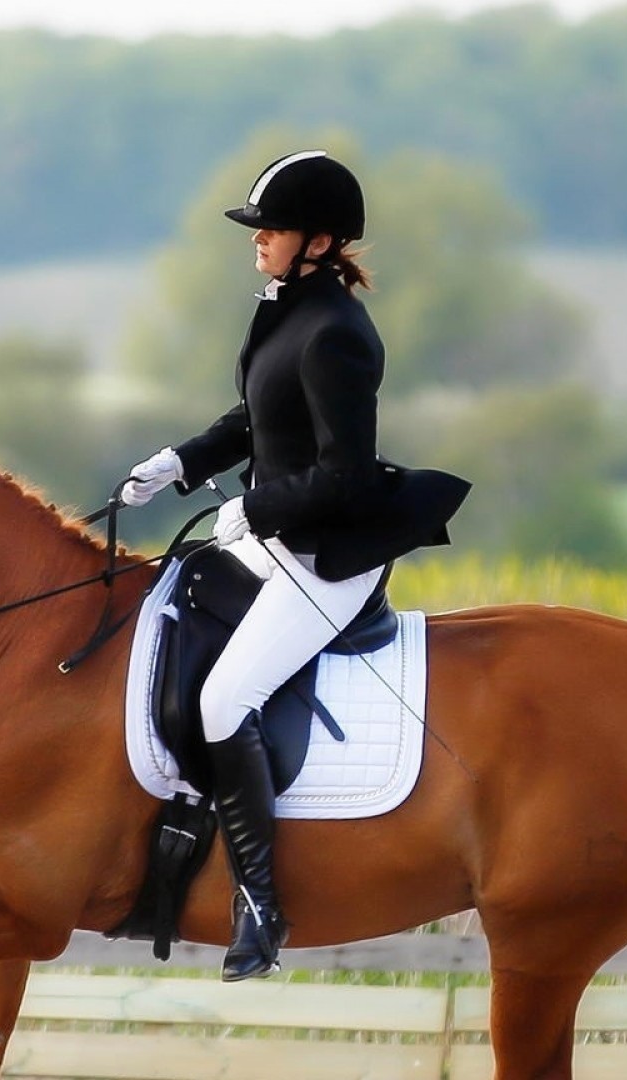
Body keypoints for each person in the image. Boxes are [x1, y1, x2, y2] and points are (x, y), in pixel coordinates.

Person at [118, 149, 468, 981]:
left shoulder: (340, 336)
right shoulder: (288, 311)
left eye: (270, 228)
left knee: (224, 697)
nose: (258, 240)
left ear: (318, 241)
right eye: (258, 228)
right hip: (266, 539)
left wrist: (256, 508)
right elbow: (257, 416)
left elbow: (345, 473)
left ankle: (260, 904)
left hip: (320, 558)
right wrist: (180, 462)